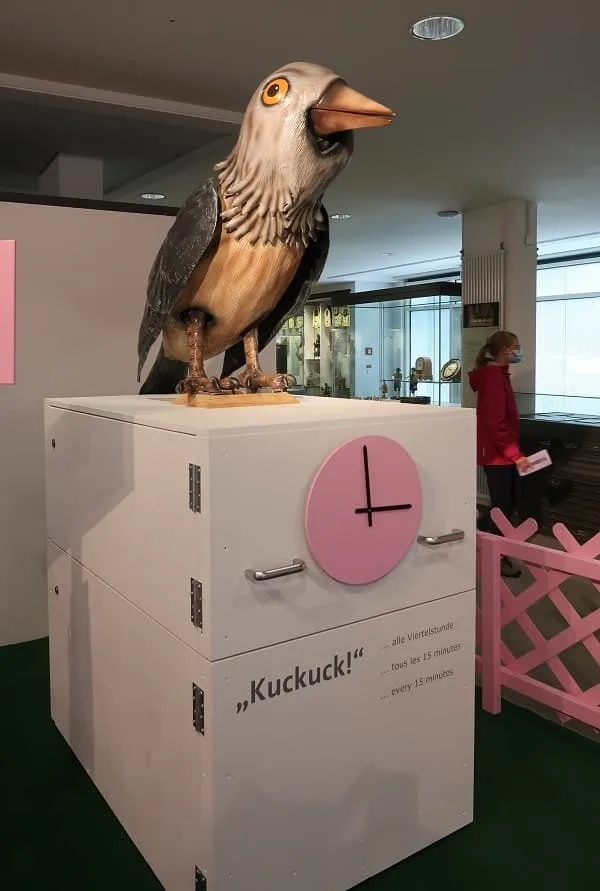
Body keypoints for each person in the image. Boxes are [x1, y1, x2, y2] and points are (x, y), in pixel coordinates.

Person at [468, 330, 531, 578]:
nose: (518, 351)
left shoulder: (498, 375)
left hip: (500, 454)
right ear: (505, 349)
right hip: (498, 456)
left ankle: (486, 544)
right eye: (516, 347)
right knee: (502, 507)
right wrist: (515, 454)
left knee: (503, 504)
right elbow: (496, 423)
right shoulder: (495, 378)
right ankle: (494, 555)